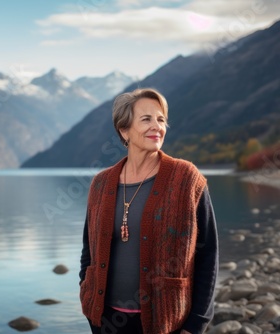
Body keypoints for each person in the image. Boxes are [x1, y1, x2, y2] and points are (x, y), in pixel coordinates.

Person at [79, 88, 218, 334]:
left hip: (166, 321)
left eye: (161, 119)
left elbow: (208, 253)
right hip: (105, 320)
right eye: (146, 119)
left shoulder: (186, 178)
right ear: (124, 130)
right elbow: (88, 250)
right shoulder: (101, 184)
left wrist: (196, 323)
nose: (157, 126)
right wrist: (88, 297)